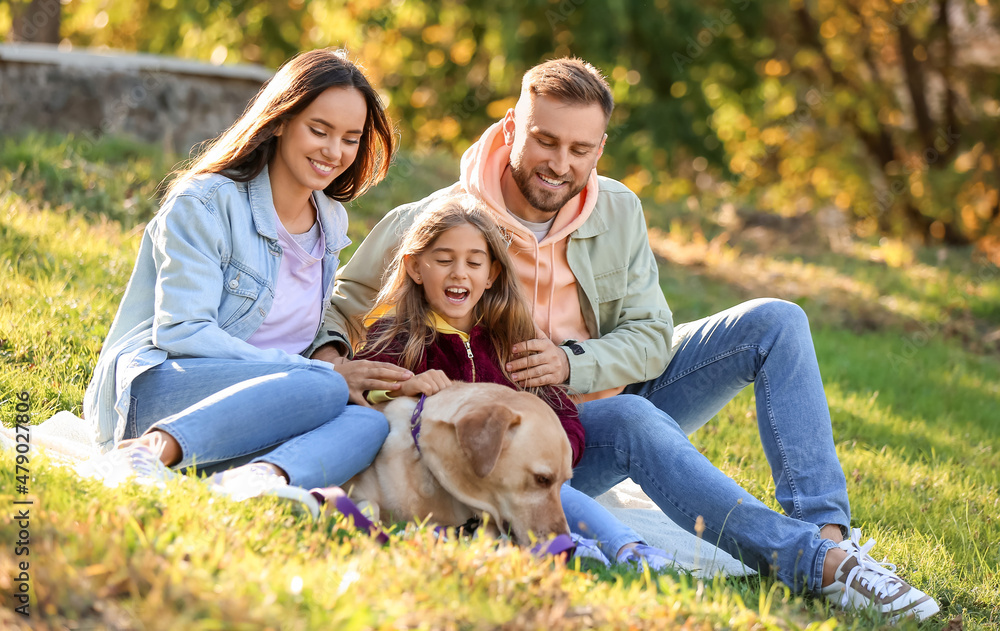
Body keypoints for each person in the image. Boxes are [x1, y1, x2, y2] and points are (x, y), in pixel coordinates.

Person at [313, 58, 939, 621]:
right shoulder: (439, 223)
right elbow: (344, 305)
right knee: (634, 416)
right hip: (531, 437)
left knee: (776, 319)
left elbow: (650, 338)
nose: (560, 163)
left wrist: (569, 362)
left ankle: (827, 536)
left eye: (580, 149)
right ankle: (805, 562)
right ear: (512, 128)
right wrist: (339, 367)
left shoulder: (617, 210)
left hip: (599, 390)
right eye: (545, 140)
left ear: (600, 147)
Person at [78, 49, 414, 507]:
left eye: (350, 139)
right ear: (279, 121)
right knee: (326, 385)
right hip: (160, 392)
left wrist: (335, 364)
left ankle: (254, 480)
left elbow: (298, 337)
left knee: (371, 422)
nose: (334, 152)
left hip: (267, 406)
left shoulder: (330, 222)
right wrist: (315, 371)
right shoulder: (204, 202)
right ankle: (146, 452)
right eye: (319, 130)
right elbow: (183, 332)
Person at [338, 193, 672, 568]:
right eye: (444, 260)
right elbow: (361, 394)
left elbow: (561, 415)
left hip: (514, 479)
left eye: (474, 262)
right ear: (416, 268)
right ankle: (560, 544)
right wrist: (405, 386)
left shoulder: (511, 339)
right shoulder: (397, 336)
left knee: (552, 491)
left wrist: (545, 453)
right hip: (435, 481)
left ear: (492, 273)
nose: (459, 273)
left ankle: (628, 548)